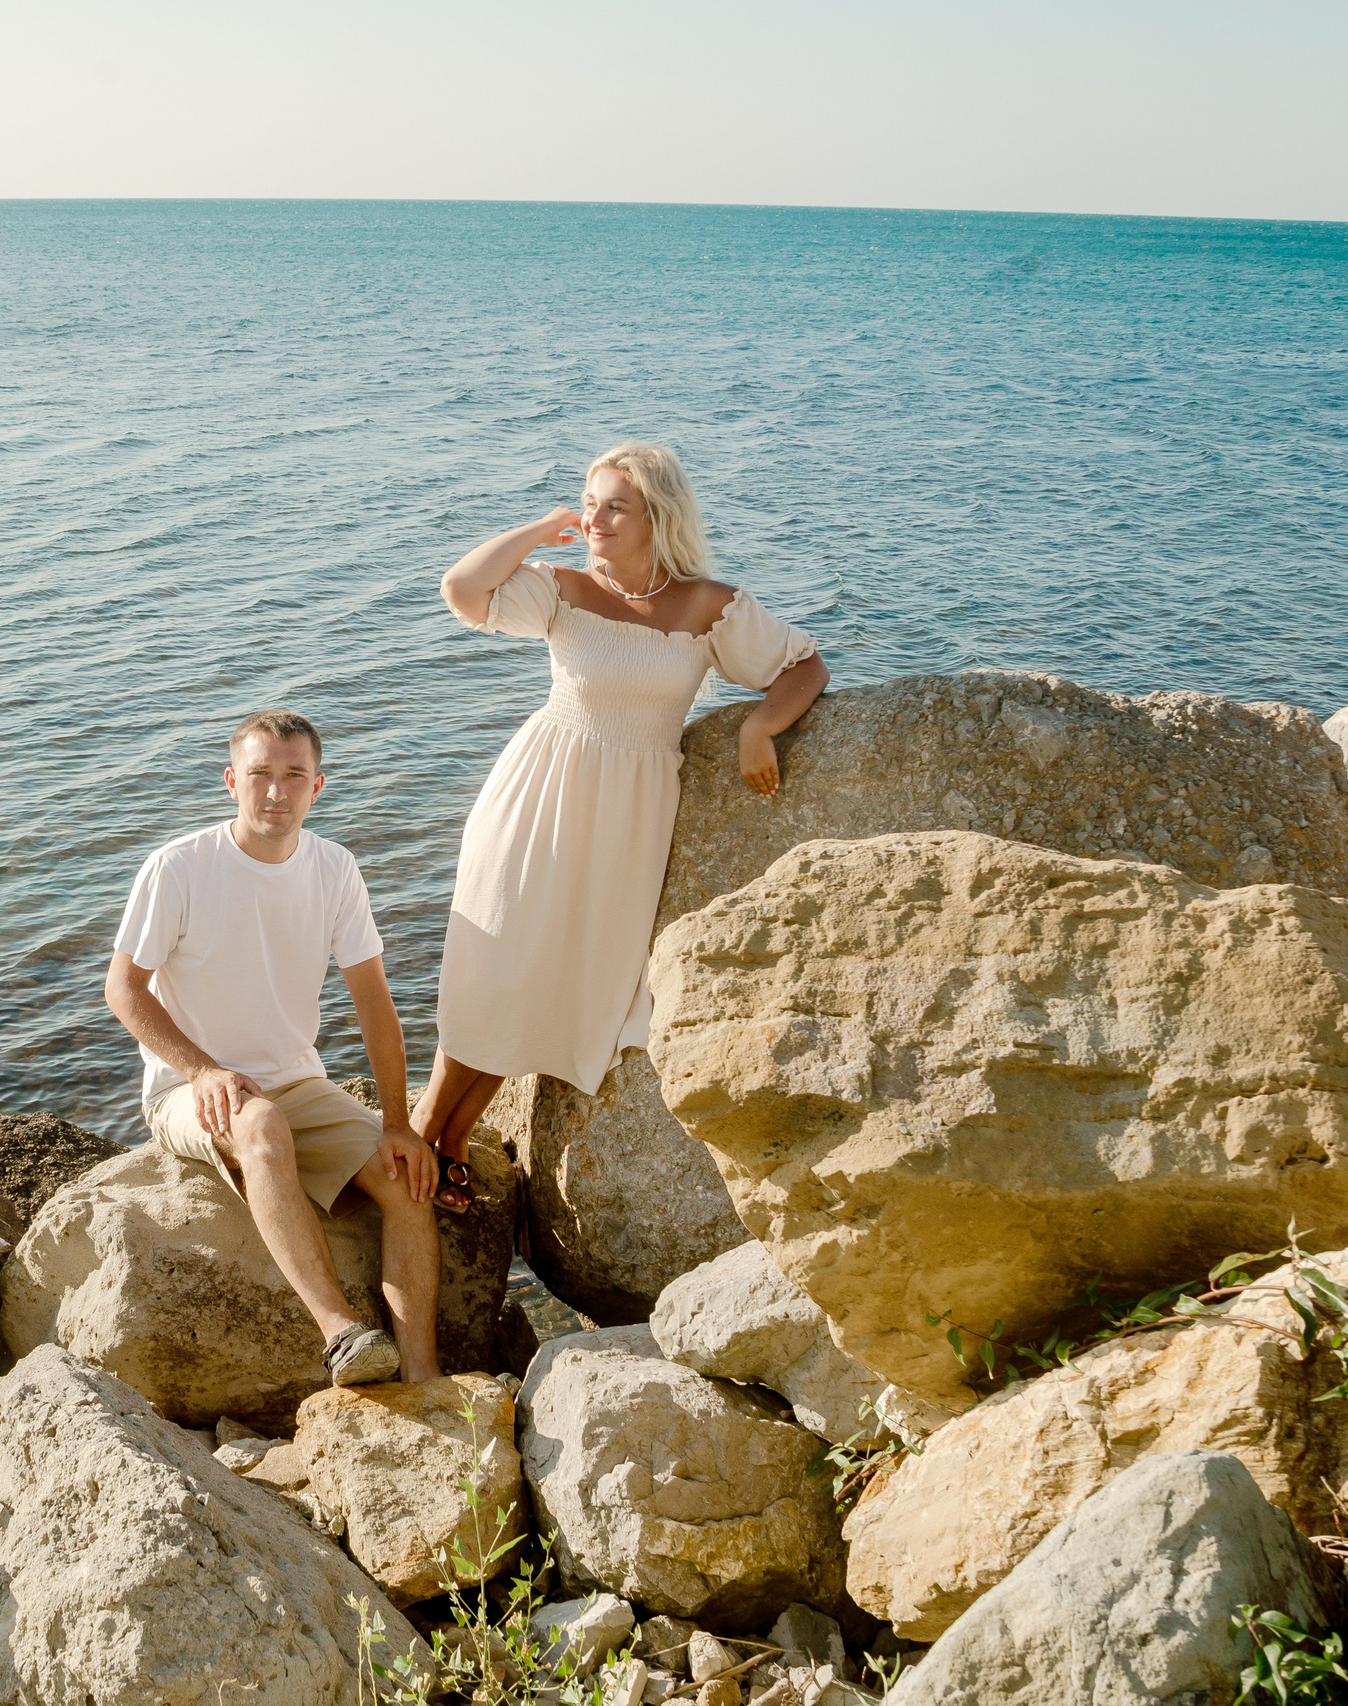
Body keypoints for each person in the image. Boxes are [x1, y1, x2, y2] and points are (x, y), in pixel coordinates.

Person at [412, 442, 829, 1210]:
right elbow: (462, 590)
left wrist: (757, 730)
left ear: (656, 517)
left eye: (615, 506)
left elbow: (803, 665)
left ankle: (452, 1139)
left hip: (629, 818)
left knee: (555, 980)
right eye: (590, 501)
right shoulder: (563, 588)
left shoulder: (711, 606)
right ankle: (421, 1136)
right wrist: (542, 529)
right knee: (496, 963)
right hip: (537, 798)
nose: (596, 518)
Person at [104, 708, 442, 1387]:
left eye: (294, 777)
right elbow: (124, 990)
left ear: (319, 788)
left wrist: (399, 1124)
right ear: (233, 781)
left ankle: (423, 1376)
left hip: (298, 1082)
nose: (276, 793)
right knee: (258, 1124)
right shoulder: (178, 868)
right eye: (260, 775)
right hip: (186, 1089)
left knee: (409, 1182)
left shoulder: (334, 869)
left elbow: (374, 1001)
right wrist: (200, 1071)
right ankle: (343, 1335)